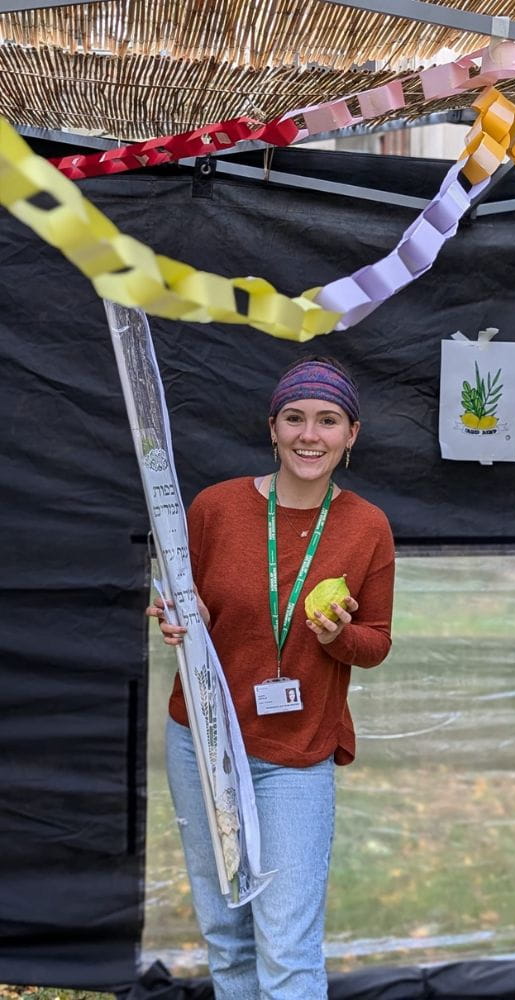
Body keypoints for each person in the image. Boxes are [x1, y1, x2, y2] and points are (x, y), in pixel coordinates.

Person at [148, 357, 395, 998]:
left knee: (286, 947)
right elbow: (186, 603)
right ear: (273, 428)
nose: (309, 435)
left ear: (351, 436)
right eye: (295, 419)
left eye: (327, 421)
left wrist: (339, 636)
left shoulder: (366, 527)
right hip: (202, 740)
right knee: (227, 937)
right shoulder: (215, 508)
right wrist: (177, 616)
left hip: (298, 751)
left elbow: (377, 646)